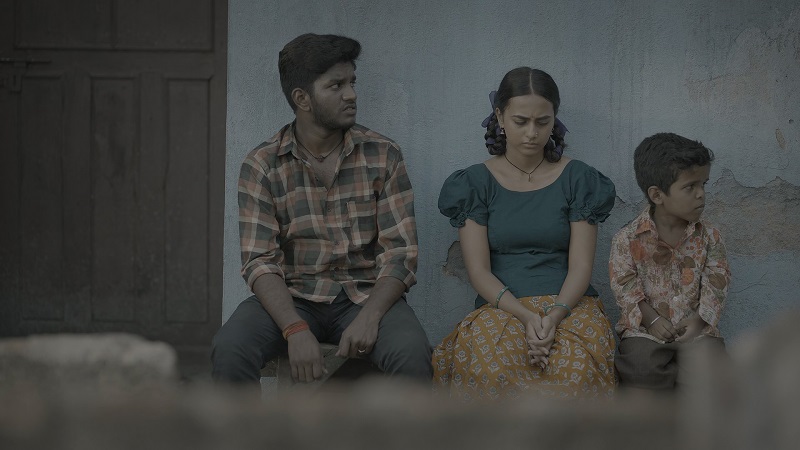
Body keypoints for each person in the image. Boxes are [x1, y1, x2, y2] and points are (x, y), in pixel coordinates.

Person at [212, 33, 432, 384]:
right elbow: (260, 261)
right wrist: (294, 328)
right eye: (336, 85)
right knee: (230, 349)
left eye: (352, 82)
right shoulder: (263, 164)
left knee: (412, 353)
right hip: (294, 297)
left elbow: (401, 254)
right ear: (302, 98)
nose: (351, 94)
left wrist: (370, 317)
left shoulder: (383, 154)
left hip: (365, 295)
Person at [433, 67, 617, 400]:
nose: (532, 133)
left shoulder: (579, 180)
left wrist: (554, 317)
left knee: (577, 373)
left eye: (542, 122)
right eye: (521, 121)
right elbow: (479, 271)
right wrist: (527, 316)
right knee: (490, 370)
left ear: (554, 119)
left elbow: (581, 267)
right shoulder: (474, 184)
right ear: (500, 117)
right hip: (502, 307)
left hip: (570, 305)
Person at [609, 132, 730, 390]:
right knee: (640, 369)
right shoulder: (627, 239)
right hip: (645, 331)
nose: (701, 194)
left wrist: (698, 322)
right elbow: (624, 285)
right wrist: (652, 320)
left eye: (703, 184)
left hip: (698, 331)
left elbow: (717, 282)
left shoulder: (710, 237)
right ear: (657, 195)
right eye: (690, 187)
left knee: (713, 374)